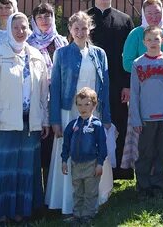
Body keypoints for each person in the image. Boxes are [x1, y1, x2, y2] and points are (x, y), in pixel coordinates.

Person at [0, 12, 50, 223]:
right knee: (2, 168)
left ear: (30, 28)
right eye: (16, 27)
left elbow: (43, 93)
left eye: (24, 27)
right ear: (9, 29)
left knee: (25, 168)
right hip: (4, 123)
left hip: (29, 124)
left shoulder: (36, 56)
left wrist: (43, 119)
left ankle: (21, 211)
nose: (20, 31)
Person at [47, 12, 114, 215]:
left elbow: (105, 87)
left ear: (89, 29)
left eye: (84, 28)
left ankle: (94, 199)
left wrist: (107, 116)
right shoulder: (61, 53)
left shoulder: (99, 54)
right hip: (70, 112)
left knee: (94, 151)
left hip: (94, 112)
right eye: (76, 28)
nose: (80, 32)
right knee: (69, 151)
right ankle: (68, 201)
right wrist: (55, 120)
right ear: (70, 30)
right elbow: (56, 88)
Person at [120, 0, 163, 170]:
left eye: (157, 13)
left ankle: (161, 174)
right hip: (144, 91)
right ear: (143, 14)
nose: (153, 17)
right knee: (146, 141)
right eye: (149, 13)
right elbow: (127, 62)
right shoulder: (136, 34)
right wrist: (150, 64)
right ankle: (145, 174)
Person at [87, 0, 134, 178]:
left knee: (119, 122)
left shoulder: (124, 20)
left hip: (117, 82)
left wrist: (127, 85)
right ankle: (93, 166)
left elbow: (130, 55)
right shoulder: (84, 19)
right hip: (91, 82)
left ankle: (119, 170)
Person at [129, 25, 163, 197]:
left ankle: (158, 183)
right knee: (145, 152)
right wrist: (136, 119)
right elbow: (134, 94)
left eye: (156, 39)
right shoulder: (138, 64)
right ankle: (143, 185)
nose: (153, 43)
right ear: (143, 42)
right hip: (145, 118)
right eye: (149, 39)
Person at [27, 0, 68, 192]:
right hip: (38, 100)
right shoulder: (29, 44)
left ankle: (55, 191)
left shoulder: (62, 42)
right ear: (34, 21)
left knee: (56, 145)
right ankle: (39, 192)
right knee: (41, 146)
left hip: (59, 100)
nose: (44, 20)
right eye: (40, 17)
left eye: (48, 16)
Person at [60, 87, 108, 225]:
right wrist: (64, 160)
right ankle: (77, 214)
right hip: (75, 164)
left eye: (87, 104)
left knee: (90, 192)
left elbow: (102, 147)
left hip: (91, 165)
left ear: (94, 105)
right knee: (78, 191)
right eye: (79, 104)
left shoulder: (97, 125)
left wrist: (100, 163)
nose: (83, 108)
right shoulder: (72, 125)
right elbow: (66, 145)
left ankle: (87, 215)